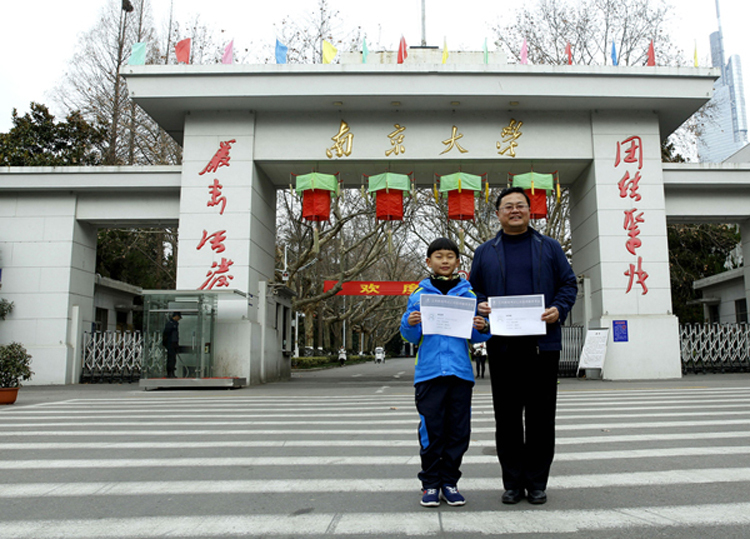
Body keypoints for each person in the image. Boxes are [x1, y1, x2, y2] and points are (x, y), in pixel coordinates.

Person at [469, 187, 577, 506]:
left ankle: (537, 482)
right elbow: (472, 290)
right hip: (502, 348)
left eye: (520, 206)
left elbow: (568, 283)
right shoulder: (485, 252)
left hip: (543, 346)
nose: (514, 210)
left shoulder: (550, 247)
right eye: (508, 206)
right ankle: (513, 482)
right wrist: (480, 305)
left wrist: (559, 308)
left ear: (530, 211)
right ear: (498, 213)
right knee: (507, 417)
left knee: (542, 417)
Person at [400, 237, 491, 508]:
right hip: (428, 373)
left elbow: (475, 336)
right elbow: (410, 336)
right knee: (432, 430)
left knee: (458, 430)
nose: (444, 261)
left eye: (450, 256)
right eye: (439, 256)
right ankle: (430, 484)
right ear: (429, 262)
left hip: (460, 373)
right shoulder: (419, 295)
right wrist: (410, 322)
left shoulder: (469, 294)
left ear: (458, 262)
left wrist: (482, 326)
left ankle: (450, 482)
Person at [162, 312, 181, 378]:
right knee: (171, 359)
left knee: (173, 359)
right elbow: (166, 334)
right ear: (176, 316)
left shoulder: (174, 324)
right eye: (178, 317)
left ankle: (172, 372)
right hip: (170, 343)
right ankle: (170, 373)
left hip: (173, 343)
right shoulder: (170, 324)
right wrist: (166, 343)